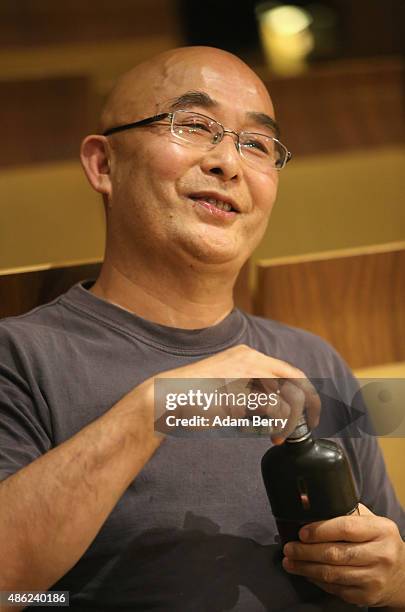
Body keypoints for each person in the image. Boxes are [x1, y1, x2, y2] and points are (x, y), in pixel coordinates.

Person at [0, 46, 404, 612]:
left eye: (257, 144)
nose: (229, 163)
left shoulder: (312, 360)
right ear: (103, 164)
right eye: (194, 126)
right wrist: (162, 406)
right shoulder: (20, 358)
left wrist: (392, 582)